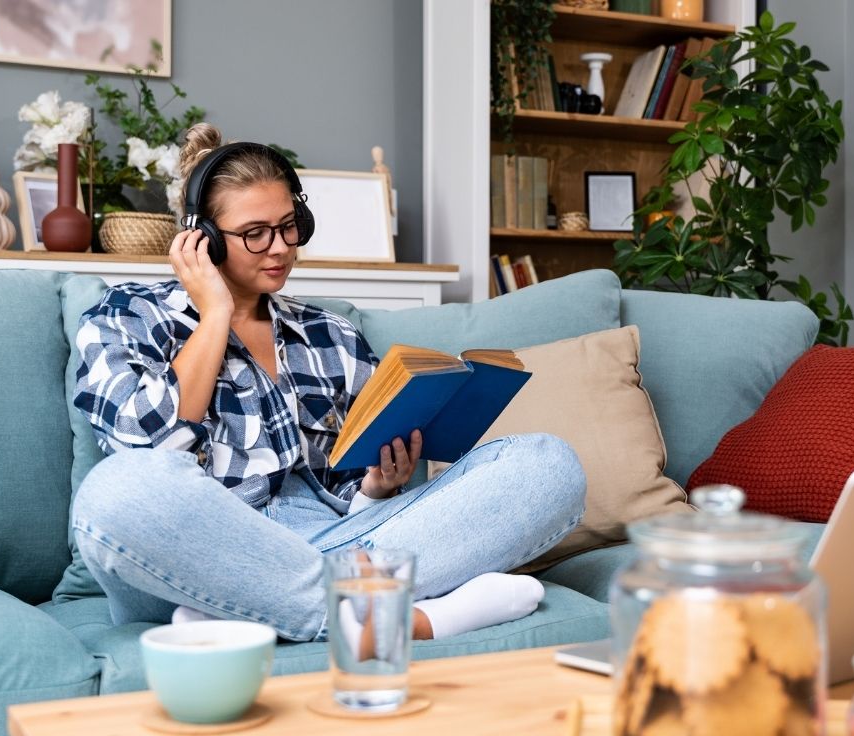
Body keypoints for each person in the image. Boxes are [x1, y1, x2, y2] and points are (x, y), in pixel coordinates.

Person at [70, 123, 586, 643]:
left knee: (546, 464)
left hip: (335, 535)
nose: (281, 249)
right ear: (202, 240)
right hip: (198, 555)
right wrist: (214, 316)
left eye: (290, 226)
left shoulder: (330, 336)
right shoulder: (125, 315)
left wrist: (374, 488)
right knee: (115, 494)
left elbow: (353, 495)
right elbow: (151, 446)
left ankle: (261, 615)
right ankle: (403, 614)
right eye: (255, 234)